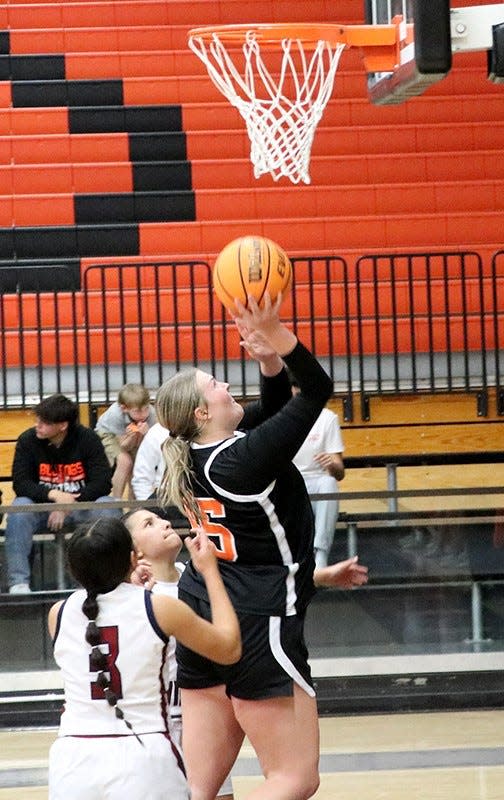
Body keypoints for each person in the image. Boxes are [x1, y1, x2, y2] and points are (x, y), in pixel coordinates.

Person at [155, 293, 368, 800]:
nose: (226, 383)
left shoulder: (194, 455)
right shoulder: (242, 461)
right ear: (204, 409)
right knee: (295, 778)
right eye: (215, 382)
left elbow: (270, 410)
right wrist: (278, 334)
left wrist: (268, 361)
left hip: (205, 613)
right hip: (259, 620)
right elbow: (315, 389)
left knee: (201, 788)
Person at [47, 516, 241, 800]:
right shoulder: (159, 607)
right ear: (133, 558)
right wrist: (211, 572)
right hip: (143, 756)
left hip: (72, 760)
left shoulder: (58, 614)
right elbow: (230, 649)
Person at [124, 507, 235, 800]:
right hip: (160, 723)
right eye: (150, 523)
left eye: (161, 518)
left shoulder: (198, 574)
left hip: (205, 714)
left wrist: (321, 576)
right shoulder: (137, 595)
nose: (164, 523)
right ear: (134, 551)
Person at [5, 394, 118, 594]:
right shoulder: (27, 440)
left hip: (81, 507)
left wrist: (68, 505)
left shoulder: (88, 439)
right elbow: (21, 484)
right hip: (42, 508)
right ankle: (18, 583)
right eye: (37, 420)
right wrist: (54, 497)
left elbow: (102, 483)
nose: (37, 425)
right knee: (19, 508)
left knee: (108, 506)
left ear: (63, 425)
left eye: (44, 422)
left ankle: (105, 580)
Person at [291, 378, 345, 568]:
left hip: (316, 483)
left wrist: (331, 463)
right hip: (289, 483)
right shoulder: (280, 418)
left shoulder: (327, 418)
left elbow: (339, 472)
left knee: (329, 484)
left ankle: (320, 553)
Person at [95, 383, 157, 498]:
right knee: (125, 462)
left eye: (146, 408)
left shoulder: (152, 415)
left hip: (134, 436)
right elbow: (124, 446)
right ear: (124, 408)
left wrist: (145, 435)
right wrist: (132, 436)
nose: (144, 414)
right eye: (138, 411)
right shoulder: (115, 415)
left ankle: (135, 508)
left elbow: (147, 445)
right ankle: (116, 503)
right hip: (109, 434)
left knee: (138, 468)